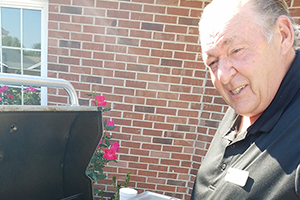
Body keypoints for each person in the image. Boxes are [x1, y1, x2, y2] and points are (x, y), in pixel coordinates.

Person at [191, 0, 300, 199]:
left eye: (236, 50)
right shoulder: (250, 95)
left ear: (283, 36)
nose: (223, 75)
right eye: (212, 61)